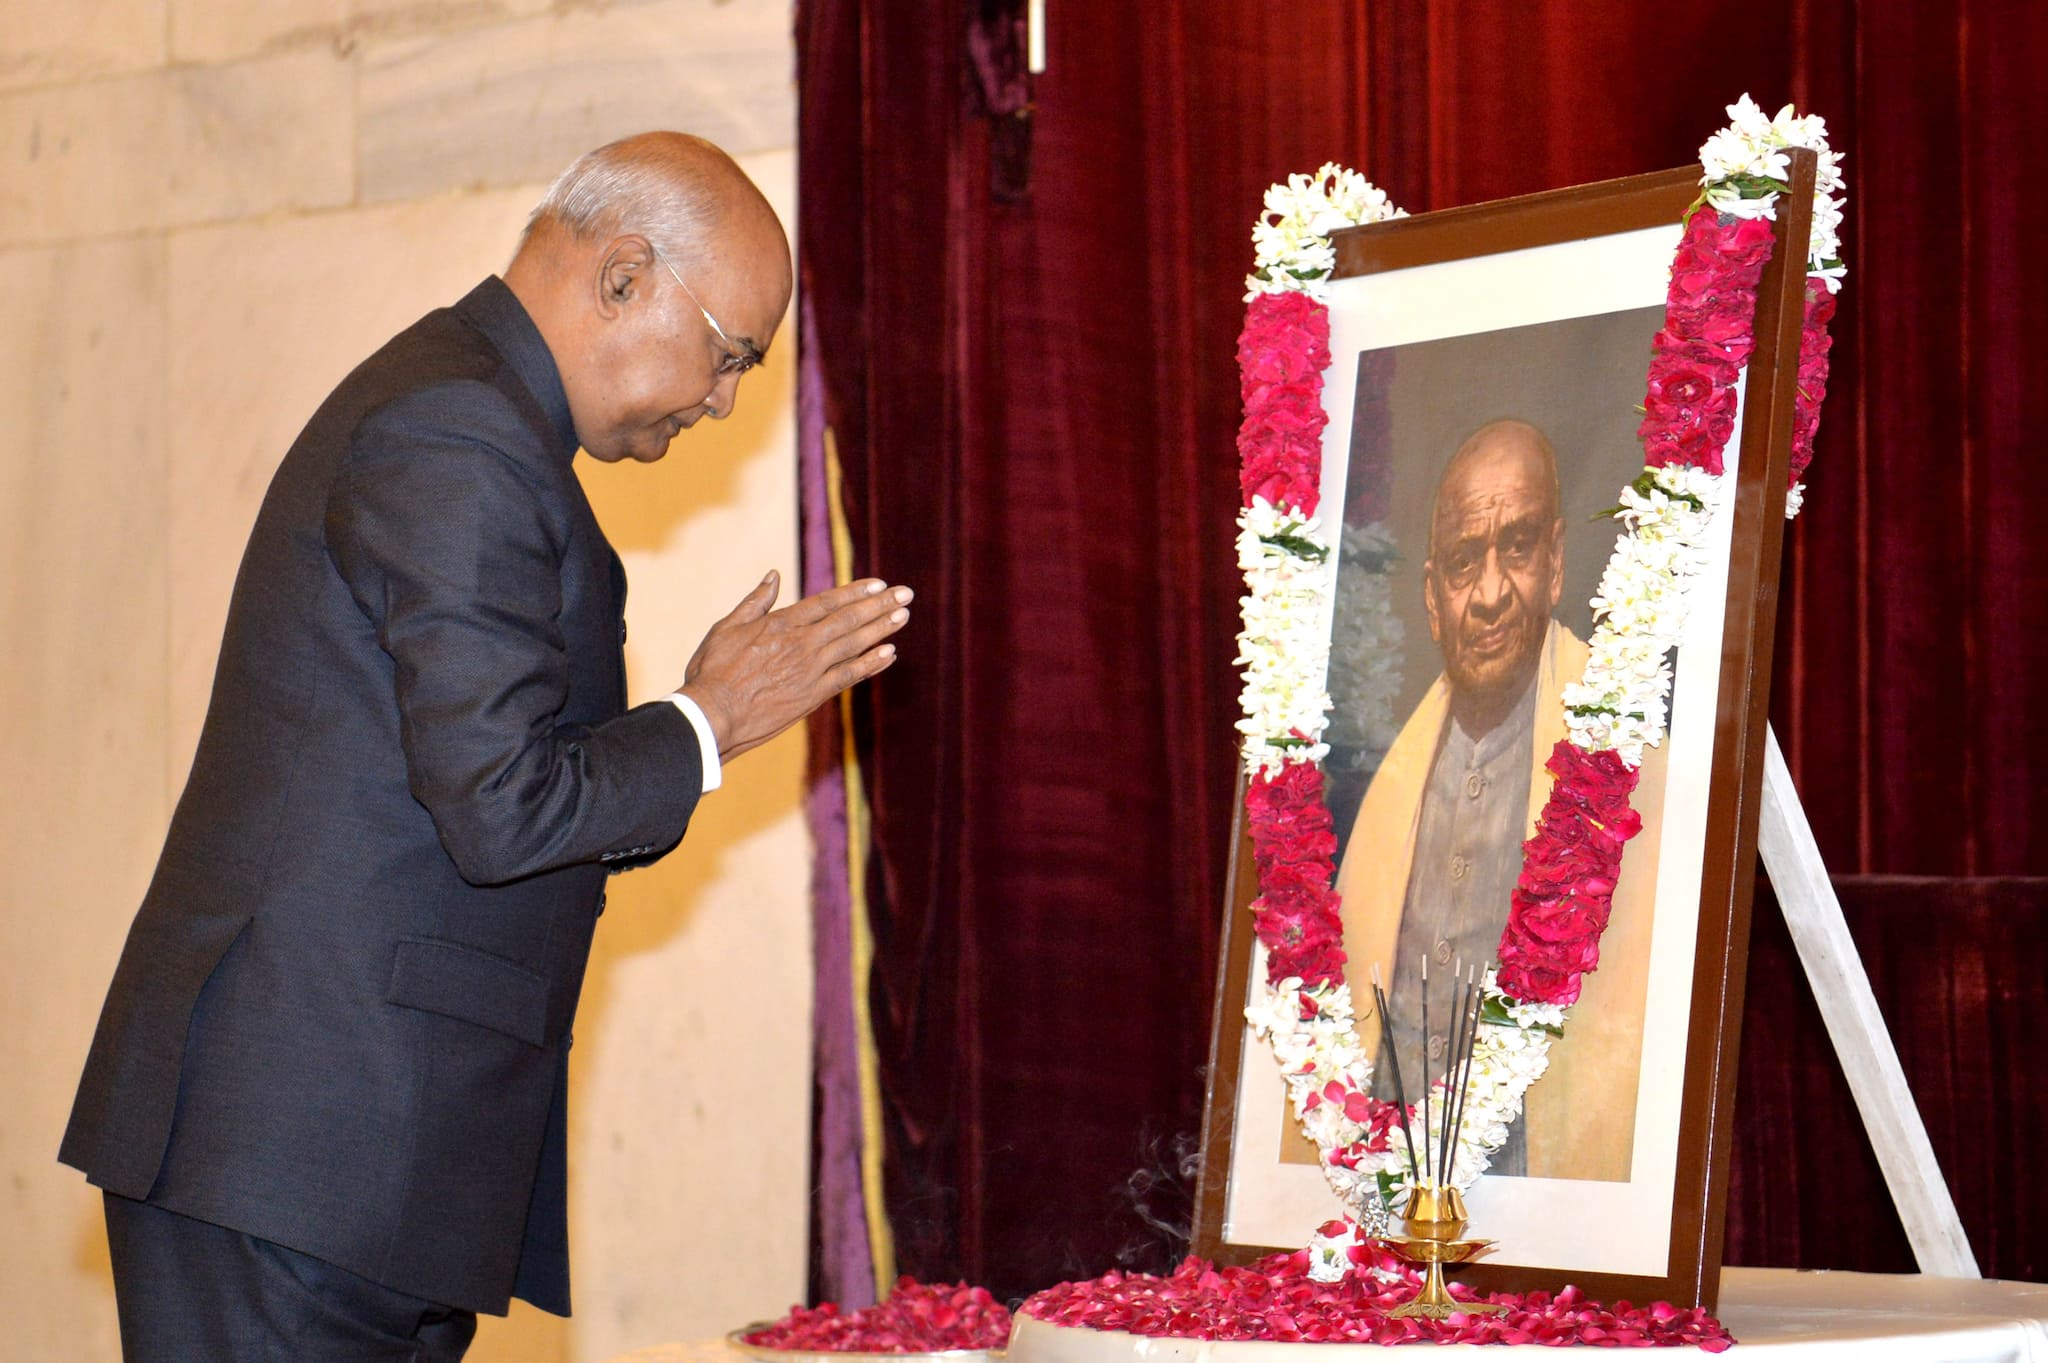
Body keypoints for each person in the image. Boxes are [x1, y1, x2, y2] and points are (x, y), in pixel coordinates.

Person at [59, 132, 907, 1362]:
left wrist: (690, 731)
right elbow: (503, 807)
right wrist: (707, 720)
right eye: (730, 357)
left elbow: (490, 798)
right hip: (299, 1154)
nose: (722, 401)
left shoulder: (470, 419)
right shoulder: (456, 432)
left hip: (350, 1164)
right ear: (623, 276)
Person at [1334, 418, 1662, 1181]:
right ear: (1430, 596)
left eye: (1515, 547)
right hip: (1391, 1221)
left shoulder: (1635, 774)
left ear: (1554, 564)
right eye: (1461, 562)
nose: (1488, 594)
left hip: (1552, 1243)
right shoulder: (1387, 793)